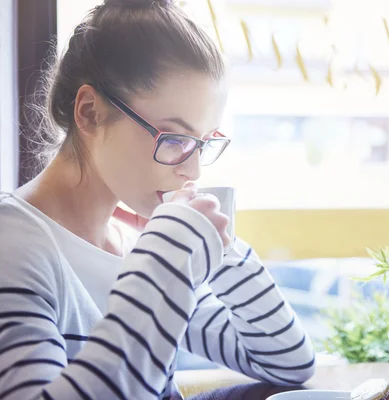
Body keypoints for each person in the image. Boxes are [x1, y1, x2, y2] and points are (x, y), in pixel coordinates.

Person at [0, 0, 315, 398]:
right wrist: (170, 258)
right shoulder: (12, 243)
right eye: (176, 139)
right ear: (90, 111)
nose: (194, 171)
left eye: (203, 143)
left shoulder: (139, 244)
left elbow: (288, 363)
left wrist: (216, 250)